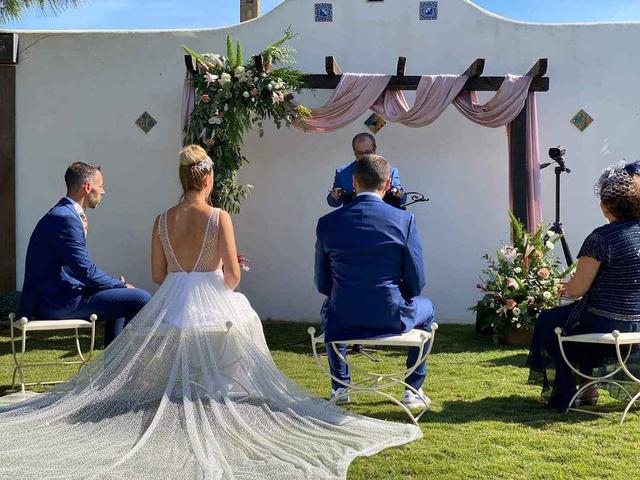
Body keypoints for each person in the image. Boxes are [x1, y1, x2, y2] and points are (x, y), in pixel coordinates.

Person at [0, 145, 420, 479]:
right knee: (243, 318)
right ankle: (222, 395)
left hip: (175, 298)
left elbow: (158, 274)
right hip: (210, 295)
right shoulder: (219, 216)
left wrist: (193, 269)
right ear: (207, 179)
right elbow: (232, 279)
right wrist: (220, 268)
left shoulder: (161, 219)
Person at [315, 154, 435, 408]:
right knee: (428, 307)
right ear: (388, 183)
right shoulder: (404, 220)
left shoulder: (327, 223)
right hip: (390, 314)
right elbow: (416, 280)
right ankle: (412, 389)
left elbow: (322, 283)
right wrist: (400, 297)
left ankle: (340, 387)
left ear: (354, 182)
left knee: (330, 307)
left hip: (343, 316)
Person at [527, 160, 640, 411]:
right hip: (637, 321)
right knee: (574, 320)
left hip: (607, 321)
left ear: (606, 205)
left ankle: (570, 391)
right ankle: (588, 387)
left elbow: (577, 290)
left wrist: (565, 287)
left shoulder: (601, 237)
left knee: (549, 321)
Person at [18, 161, 151, 347]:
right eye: (100, 186)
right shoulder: (65, 218)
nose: (103, 191)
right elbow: (85, 271)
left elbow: (77, 268)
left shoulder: (64, 214)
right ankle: (122, 361)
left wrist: (115, 286)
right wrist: (120, 284)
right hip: (59, 302)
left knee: (121, 295)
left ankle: (113, 363)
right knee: (141, 298)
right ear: (88, 187)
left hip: (59, 296)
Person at [327, 132, 407, 208]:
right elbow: (333, 203)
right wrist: (335, 195)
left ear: (374, 150)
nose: (364, 156)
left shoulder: (390, 171)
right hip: (352, 216)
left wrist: (397, 192)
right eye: (360, 153)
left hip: (382, 216)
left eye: (368, 152)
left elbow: (402, 199)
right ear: (354, 152)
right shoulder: (342, 173)